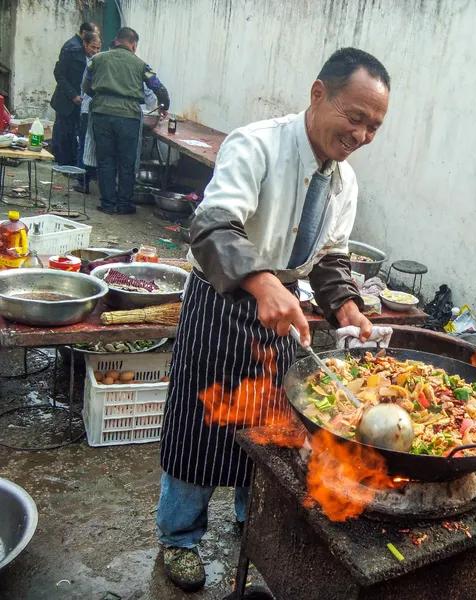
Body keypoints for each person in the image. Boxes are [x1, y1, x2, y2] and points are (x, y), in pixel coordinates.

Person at [156, 47, 390, 592]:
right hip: (221, 302)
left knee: (270, 430)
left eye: (374, 127)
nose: (360, 135)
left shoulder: (344, 182)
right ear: (318, 95)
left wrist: (346, 305)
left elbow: (329, 258)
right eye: (354, 117)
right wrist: (260, 282)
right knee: (200, 426)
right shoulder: (257, 144)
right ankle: (180, 538)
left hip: (282, 315)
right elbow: (212, 226)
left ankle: (251, 517)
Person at [83, 26, 169, 214]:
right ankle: (124, 204)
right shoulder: (140, 64)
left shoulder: (97, 59)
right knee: (127, 161)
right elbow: (158, 87)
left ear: (116, 41)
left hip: (102, 114)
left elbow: (86, 86)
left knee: (105, 160)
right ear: (133, 44)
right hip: (128, 117)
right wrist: (164, 106)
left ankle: (107, 204)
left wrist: (101, 97)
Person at [50, 22, 98, 166]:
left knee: (73, 136)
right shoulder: (72, 49)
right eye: (93, 45)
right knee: (63, 135)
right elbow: (59, 74)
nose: (95, 50)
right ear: (84, 36)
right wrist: (73, 95)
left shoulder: (90, 54)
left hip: (80, 101)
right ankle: (62, 165)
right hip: (67, 100)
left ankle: (70, 165)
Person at [72, 31, 102, 193]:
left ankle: (87, 178)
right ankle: (82, 179)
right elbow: (84, 87)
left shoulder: (97, 62)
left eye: (98, 48)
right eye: (93, 47)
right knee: (84, 144)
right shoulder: (91, 63)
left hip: (96, 110)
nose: (96, 51)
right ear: (85, 44)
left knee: (90, 145)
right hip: (87, 109)